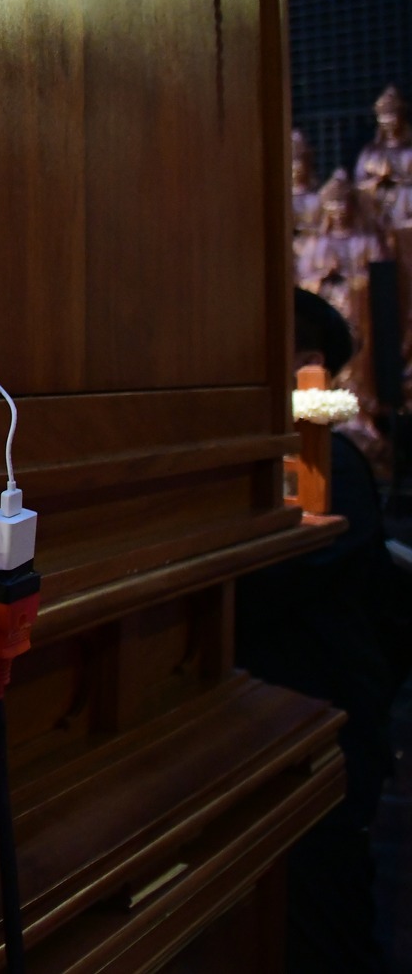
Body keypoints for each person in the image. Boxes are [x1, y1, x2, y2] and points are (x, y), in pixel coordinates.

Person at [235, 289, 412, 972]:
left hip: (322, 727)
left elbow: (266, 584)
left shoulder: (328, 467)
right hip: (280, 723)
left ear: (306, 365)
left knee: (326, 926)